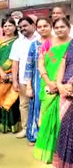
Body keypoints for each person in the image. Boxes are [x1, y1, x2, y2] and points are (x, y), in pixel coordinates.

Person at [34, 17, 71, 164]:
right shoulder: (48, 43)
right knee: (46, 119)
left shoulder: (71, 44)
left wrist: (60, 84)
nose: (60, 30)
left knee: (60, 121)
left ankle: (58, 155)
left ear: (68, 27)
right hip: (48, 86)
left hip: (64, 87)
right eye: (57, 27)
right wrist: (49, 82)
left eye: (63, 27)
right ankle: (45, 153)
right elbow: (41, 64)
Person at [9, 17, 40, 139]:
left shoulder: (41, 39)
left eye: (25, 26)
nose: (23, 29)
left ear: (33, 25)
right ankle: (26, 129)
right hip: (23, 79)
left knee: (39, 105)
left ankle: (38, 131)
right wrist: (15, 81)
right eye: (20, 27)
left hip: (40, 79)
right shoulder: (18, 42)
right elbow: (15, 63)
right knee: (24, 105)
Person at [0, 18, 20, 133]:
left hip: (14, 73)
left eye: (10, 26)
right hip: (0, 73)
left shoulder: (19, 41)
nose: (7, 28)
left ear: (15, 27)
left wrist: (13, 74)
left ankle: (11, 125)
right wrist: (1, 71)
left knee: (11, 98)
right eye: (5, 26)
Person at [25, 17, 53, 144]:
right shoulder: (34, 45)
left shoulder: (58, 43)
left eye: (45, 26)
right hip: (37, 82)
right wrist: (29, 86)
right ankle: (34, 136)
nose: (42, 29)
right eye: (39, 27)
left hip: (54, 81)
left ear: (51, 26)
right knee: (36, 107)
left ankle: (49, 139)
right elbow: (29, 66)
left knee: (51, 109)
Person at [53, 39, 73, 168]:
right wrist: (59, 84)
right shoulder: (72, 44)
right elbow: (63, 62)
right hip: (65, 90)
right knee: (66, 130)